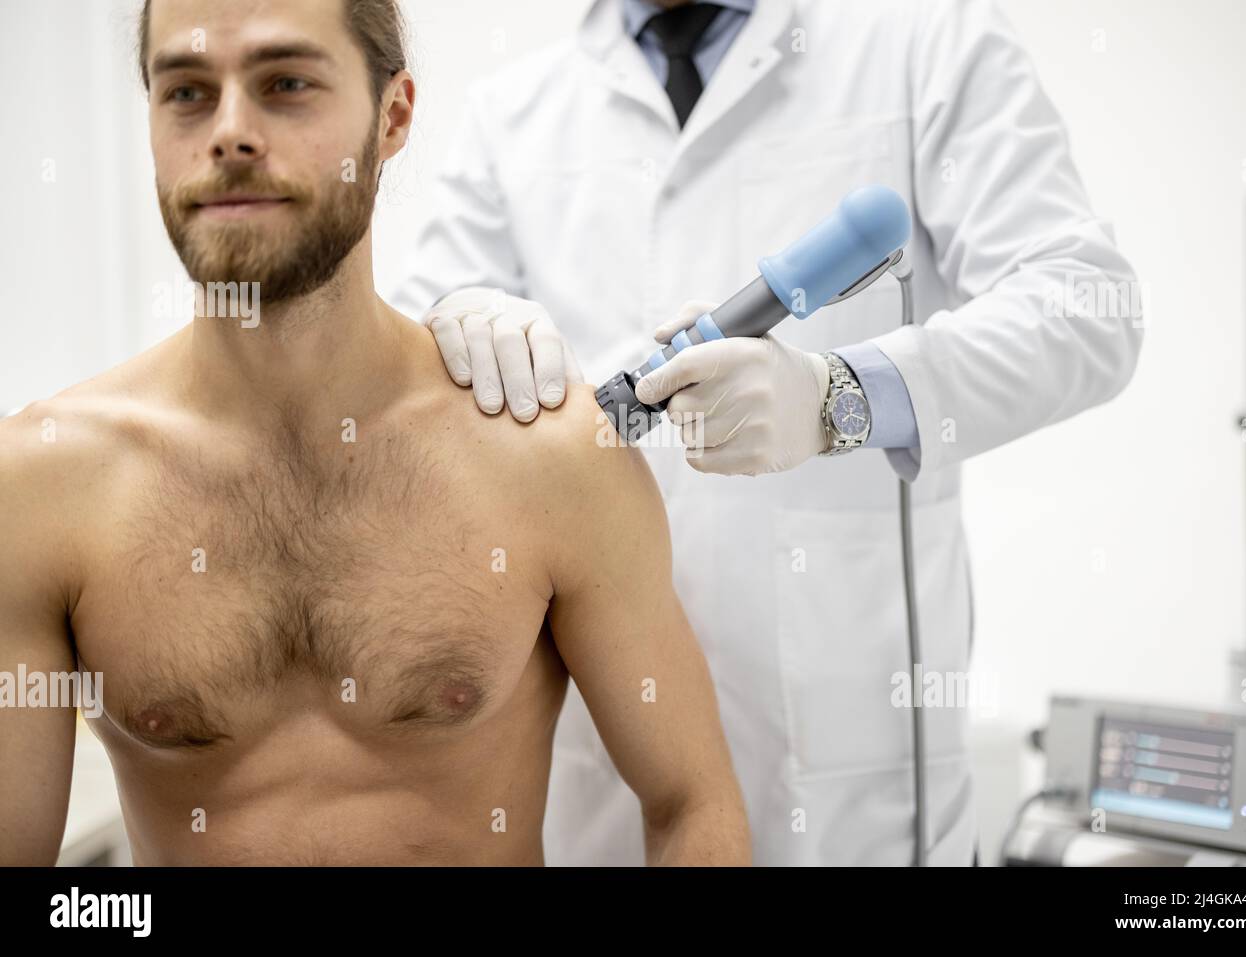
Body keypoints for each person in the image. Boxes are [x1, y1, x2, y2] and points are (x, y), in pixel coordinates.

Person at [392, 0, 1143, 865]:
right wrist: (451, 322)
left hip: (860, 818)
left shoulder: (929, 39)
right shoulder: (512, 113)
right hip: (601, 803)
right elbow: (415, 416)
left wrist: (841, 396)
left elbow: (1087, 310)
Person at [0, 0, 749, 867]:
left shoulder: (547, 456)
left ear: (392, 116)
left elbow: (695, 805)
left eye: (285, 84)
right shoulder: (43, 487)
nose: (231, 132)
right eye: (188, 92)